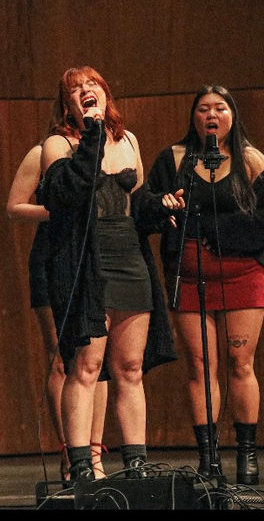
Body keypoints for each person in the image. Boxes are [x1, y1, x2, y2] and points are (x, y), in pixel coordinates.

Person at [141, 86, 264, 485]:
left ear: (232, 116)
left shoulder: (251, 159)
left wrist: (219, 230)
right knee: (201, 368)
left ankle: (247, 455)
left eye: (220, 108)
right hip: (189, 277)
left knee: (240, 363)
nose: (212, 114)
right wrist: (163, 206)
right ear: (194, 116)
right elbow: (146, 204)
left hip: (243, 274)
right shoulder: (174, 159)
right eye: (203, 108)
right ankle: (209, 458)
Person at [40, 66, 175, 483]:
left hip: (129, 258)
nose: (86, 91)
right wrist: (93, 131)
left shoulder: (129, 139)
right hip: (86, 260)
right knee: (86, 364)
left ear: (105, 92)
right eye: (76, 89)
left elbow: (139, 199)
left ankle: (136, 464)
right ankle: (81, 465)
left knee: (129, 367)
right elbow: (69, 190)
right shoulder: (58, 145)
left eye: (92, 85)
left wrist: (163, 203)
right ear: (67, 104)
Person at [6, 141, 108, 481]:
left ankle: (94, 455)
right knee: (63, 358)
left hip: (95, 255)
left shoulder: (107, 148)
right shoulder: (44, 152)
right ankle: (70, 453)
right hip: (54, 256)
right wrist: (60, 211)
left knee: (96, 360)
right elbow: (14, 207)